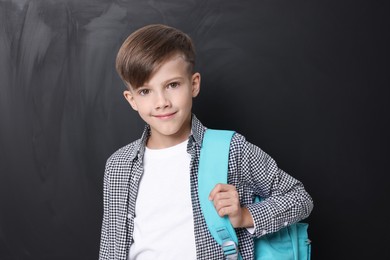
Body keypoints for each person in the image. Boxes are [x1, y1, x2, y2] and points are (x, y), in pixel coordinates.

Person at [98, 24, 313, 260]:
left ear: (194, 84)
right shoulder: (118, 166)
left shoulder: (230, 149)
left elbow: (299, 198)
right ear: (131, 100)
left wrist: (244, 216)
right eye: (145, 91)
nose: (161, 102)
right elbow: (112, 246)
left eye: (172, 85)